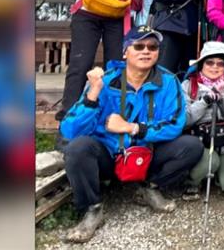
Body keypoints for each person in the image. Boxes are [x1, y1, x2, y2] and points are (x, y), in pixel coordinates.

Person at [60, 28, 202, 243]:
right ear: (126, 51)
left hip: (147, 152)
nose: (146, 51)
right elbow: (70, 130)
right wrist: (93, 94)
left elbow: (175, 124)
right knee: (77, 148)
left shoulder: (168, 81)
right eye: (139, 46)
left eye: (153, 47)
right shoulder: (105, 81)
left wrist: (132, 128)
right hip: (109, 154)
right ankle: (93, 208)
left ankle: (149, 187)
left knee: (192, 146)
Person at [181, 41, 224, 199]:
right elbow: (185, 119)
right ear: (201, 65)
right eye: (209, 62)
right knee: (210, 162)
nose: (215, 67)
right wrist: (204, 101)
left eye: (220, 63)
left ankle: (220, 174)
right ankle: (193, 181)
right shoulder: (187, 85)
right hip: (199, 142)